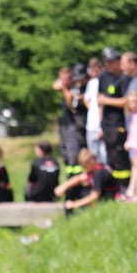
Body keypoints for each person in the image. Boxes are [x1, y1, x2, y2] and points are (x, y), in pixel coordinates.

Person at [98, 47, 131, 191]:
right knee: (110, 158)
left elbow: (127, 101)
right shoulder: (104, 77)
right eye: (107, 62)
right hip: (106, 124)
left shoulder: (124, 78)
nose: (110, 65)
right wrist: (100, 125)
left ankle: (124, 187)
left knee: (120, 158)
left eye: (112, 61)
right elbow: (100, 101)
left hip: (119, 123)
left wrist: (108, 101)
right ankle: (114, 189)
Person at [53, 64, 88, 197]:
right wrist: (61, 85)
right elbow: (54, 85)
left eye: (65, 79)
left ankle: (76, 186)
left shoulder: (76, 89)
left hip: (75, 127)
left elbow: (71, 104)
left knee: (75, 158)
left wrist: (64, 90)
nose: (63, 82)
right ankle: (70, 183)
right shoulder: (65, 86)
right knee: (67, 157)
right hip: (65, 127)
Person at [54, 148, 120, 211]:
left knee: (74, 192)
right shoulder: (94, 168)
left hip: (106, 198)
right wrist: (63, 187)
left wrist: (75, 204)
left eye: (85, 165)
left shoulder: (99, 172)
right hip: (99, 195)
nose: (84, 168)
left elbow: (94, 196)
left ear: (91, 161)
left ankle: (72, 215)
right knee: (71, 188)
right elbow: (79, 178)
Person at [83, 57, 106, 164]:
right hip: (91, 125)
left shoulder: (105, 81)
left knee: (104, 156)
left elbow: (103, 104)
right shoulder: (91, 83)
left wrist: (102, 125)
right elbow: (86, 99)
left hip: (101, 126)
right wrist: (92, 110)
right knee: (93, 157)